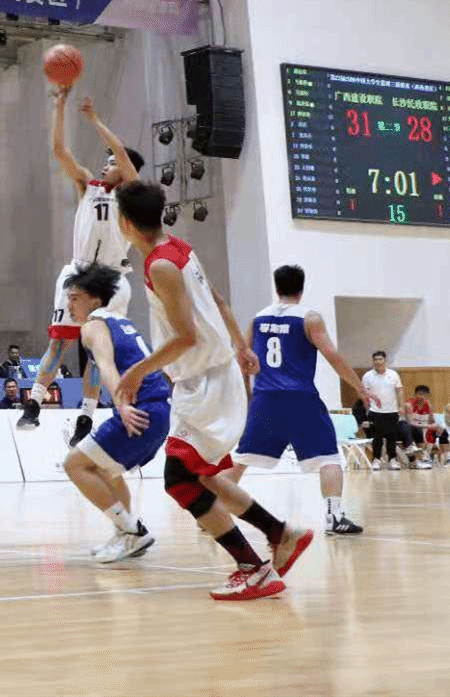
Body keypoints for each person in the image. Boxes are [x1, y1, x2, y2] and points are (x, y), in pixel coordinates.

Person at [113, 181, 312, 600]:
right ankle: (281, 533)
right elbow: (218, 300)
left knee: (179, 479)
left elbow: (186, 336)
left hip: (206, 383)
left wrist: (135, 372)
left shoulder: (161, 266)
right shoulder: (178, 248)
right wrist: (241, 345)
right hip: (209, 377)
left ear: (125, 223)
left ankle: (253, 569)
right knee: (205, 476)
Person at [21, 94, 143, 446]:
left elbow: (122, 156)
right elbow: (60, 151)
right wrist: (59, 107)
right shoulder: (88, 185)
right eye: (105, 161)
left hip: (113, 277)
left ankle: (87, 415)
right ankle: (34, 402)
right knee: (60, 341)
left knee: (97, 349)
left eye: (112, 162)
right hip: (80, 270)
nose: (105, 166)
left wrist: (95, 120)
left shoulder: (133, 193)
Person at [226, 266, 367, 534]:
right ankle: (334, 518)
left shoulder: (258, 318)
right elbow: (332, 355)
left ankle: (211, 511)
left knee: (241, 459)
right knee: (328, 458)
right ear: (301, 290)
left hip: (265, 398)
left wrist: (248, 395)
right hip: (300, 398)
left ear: (276, 287)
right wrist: (358, 387)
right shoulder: (309, 318)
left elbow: (242, 360)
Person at [57, 263, 168, 563]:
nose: (69, 305)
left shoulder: (92, 326)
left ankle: (132, 531)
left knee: (74, 465)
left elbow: (105, 366)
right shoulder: (120, 321)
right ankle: (125, 534)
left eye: (75, 298)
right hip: (159, 409)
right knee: (108, 471)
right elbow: (106, 368)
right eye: (68, 298)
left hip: (140, 408)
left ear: (94, 300)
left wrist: (122, 405)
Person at [361, 351, 404, 470]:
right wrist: (367, 408)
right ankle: (376, 459)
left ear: (385, 361)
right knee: (377, 437)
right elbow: (364, 393)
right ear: (373, 361)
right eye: (375, 359)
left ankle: (392, 460)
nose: (378, 362)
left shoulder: (393, 374)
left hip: (392, 411)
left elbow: (399, 390)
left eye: (380, 359)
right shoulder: (367, 376)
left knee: (392, 437)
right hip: (375, 411)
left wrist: (401, 406)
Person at [405, 386, 444, 469]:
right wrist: (428, 426)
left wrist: (436, 426)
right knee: (419, 431)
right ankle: (420, 458)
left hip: (425, 428)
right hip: (412, 429)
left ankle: (448, 457)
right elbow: (409, 423)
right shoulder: (409, 405)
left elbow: (432, 421)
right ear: (415, 394)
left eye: (424, 395)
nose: (421, 397)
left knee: (442, 430)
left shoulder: (428, 406)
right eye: (419, 394)